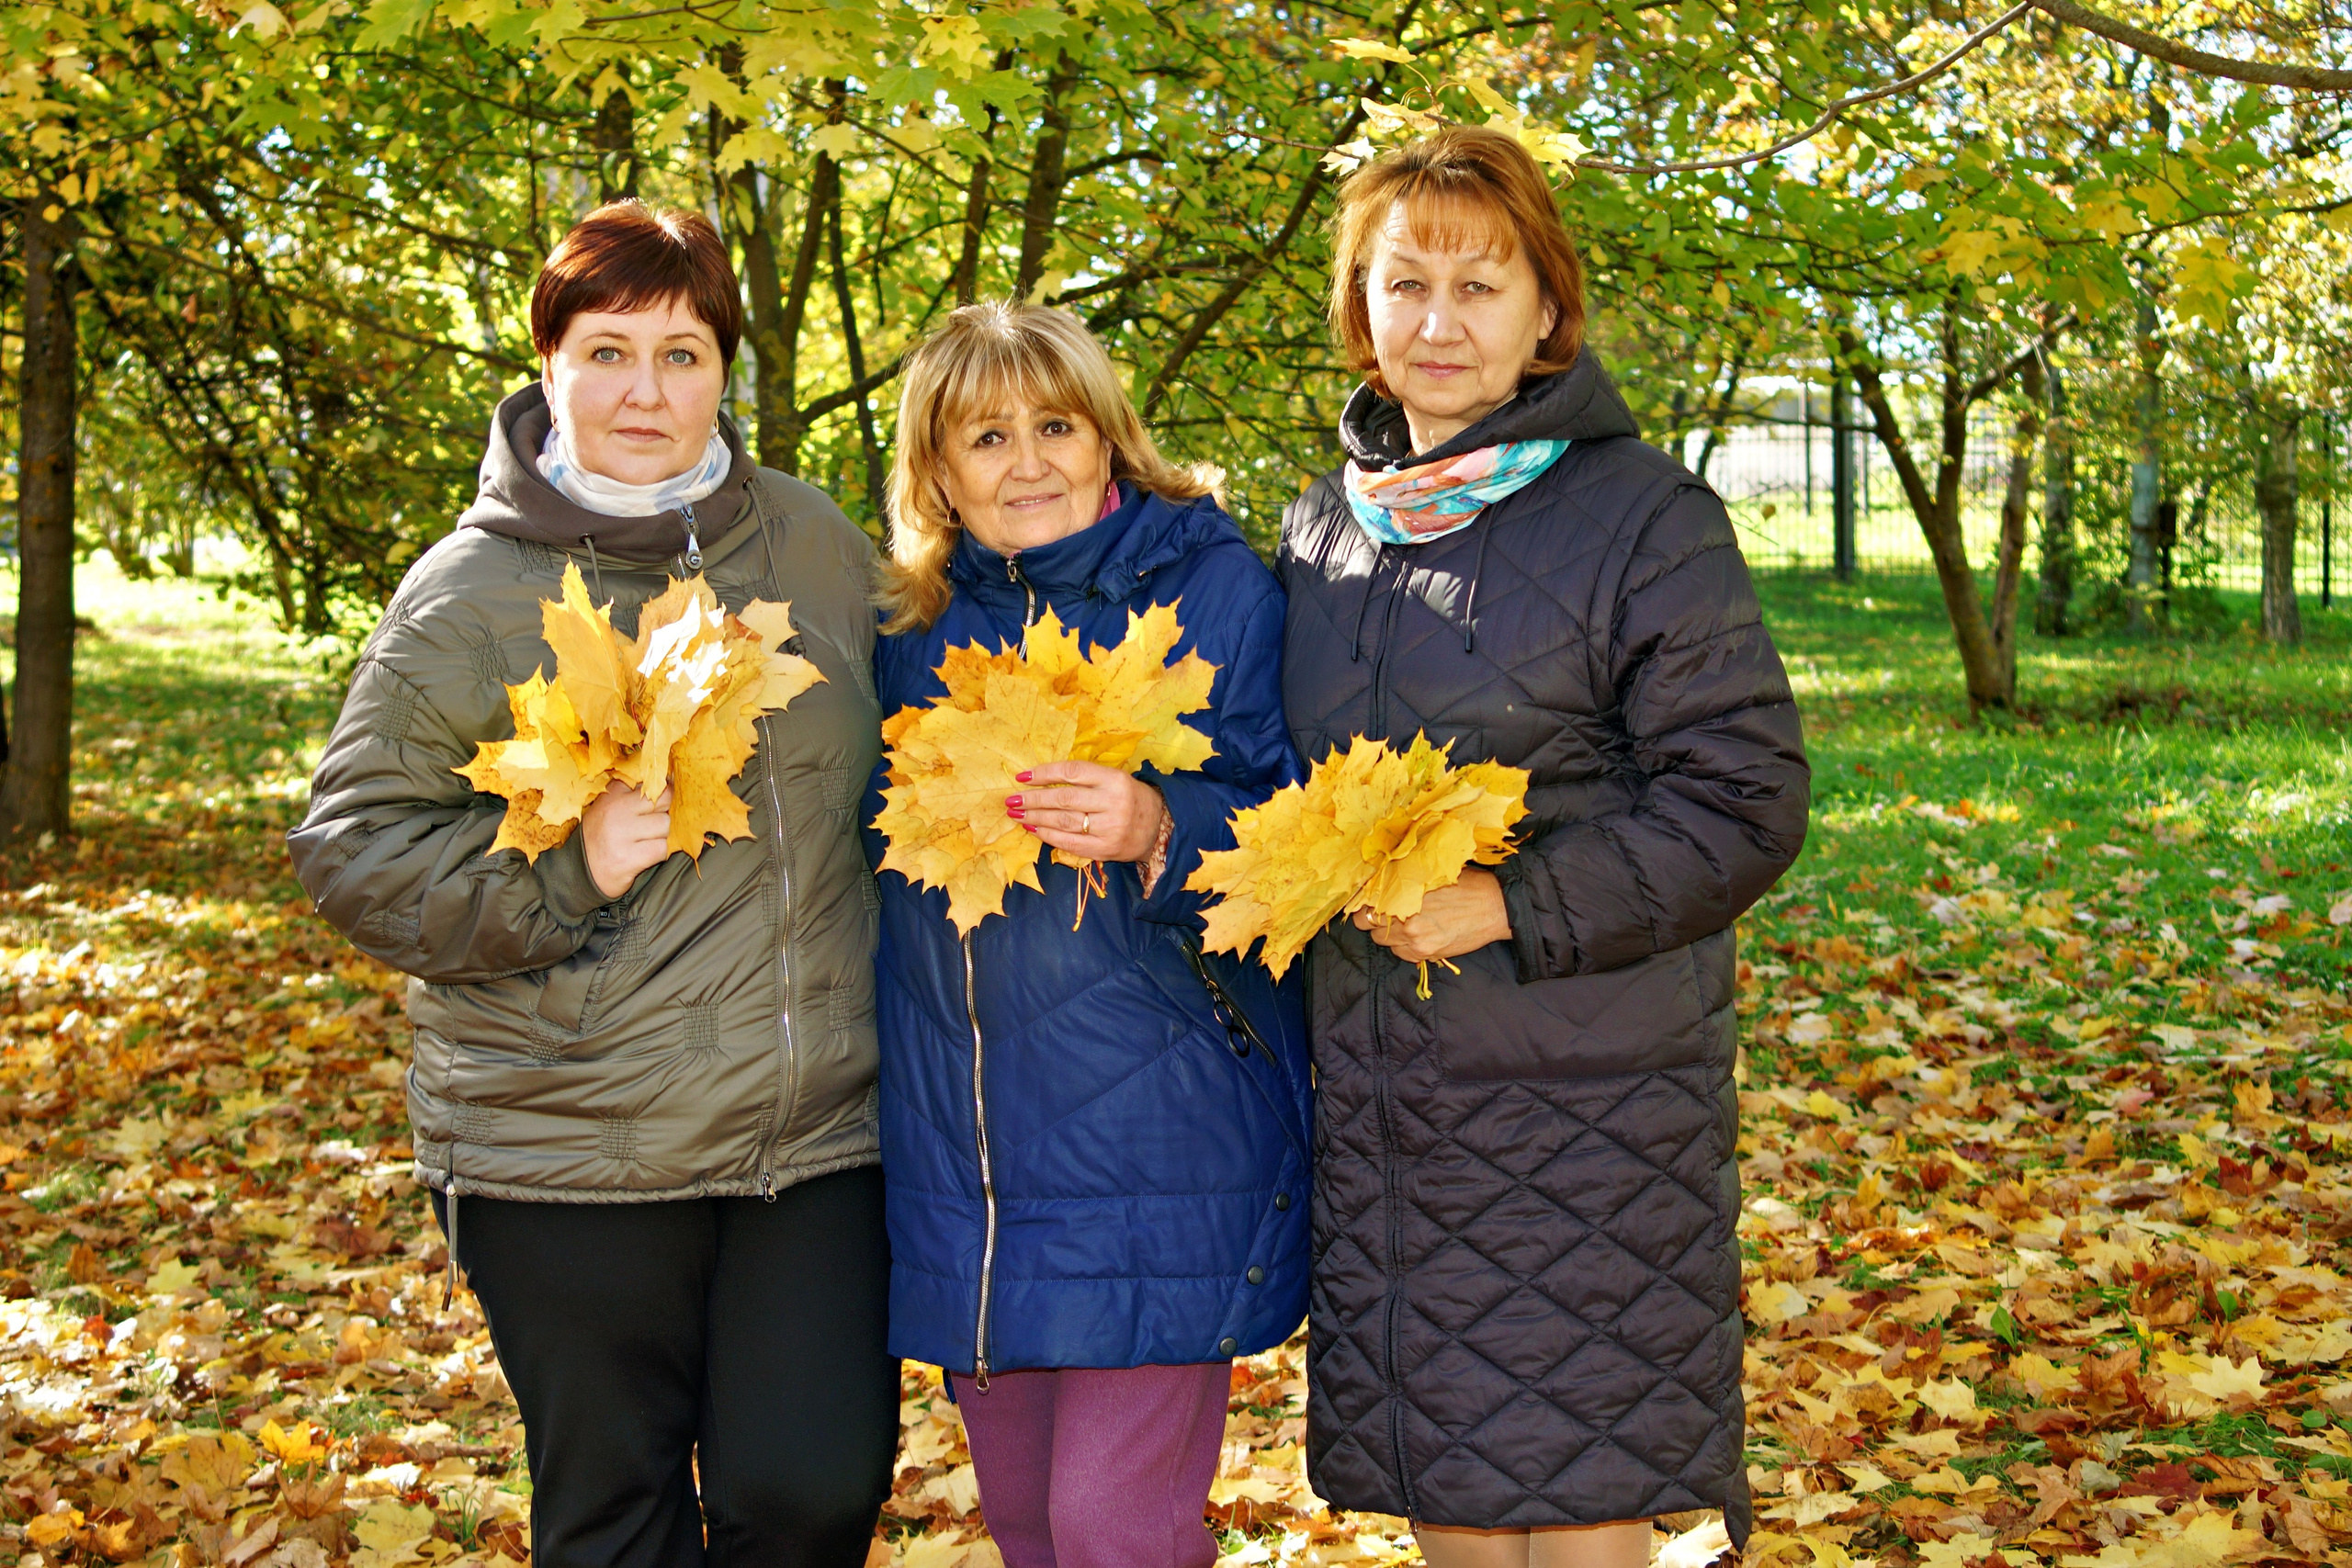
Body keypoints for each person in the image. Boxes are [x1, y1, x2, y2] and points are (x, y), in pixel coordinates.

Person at [289, 200, 898, 1568]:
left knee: (817, 1489)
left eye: (682, 354)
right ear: (548, 362)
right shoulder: (468, 593)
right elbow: (353, 852)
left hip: (812, 1140)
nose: (646, 390)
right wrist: (566, 871)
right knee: (613, 1520)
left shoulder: (813, 543)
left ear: (726, 373)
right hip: (564, 1143)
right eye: (609, 350)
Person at [1277, 126, 1811, 1568]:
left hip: (1594, 1100)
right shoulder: (1325, 531)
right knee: (1454, 1500)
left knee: (1579, 1506)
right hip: (1397, 1107)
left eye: (1480, 286)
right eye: (1405, 285)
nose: (1439, 323)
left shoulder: (1644, 516)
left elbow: (1746, 797)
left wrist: (1508, 905)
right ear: (1361, 308)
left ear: (1545, 313)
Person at [867, 301, 1310, 1568]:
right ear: (937, 475)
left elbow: (1304, 836)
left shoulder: (1215, 590)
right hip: (974, 1168)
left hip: (1163, 1145)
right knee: (1026, 1529)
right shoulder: (909, 631)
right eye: (985, 437)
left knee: (1113, 1531)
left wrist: (1164, 824)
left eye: (1056, 426)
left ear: (1110, 435)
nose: (1029, 463)